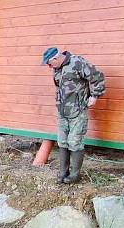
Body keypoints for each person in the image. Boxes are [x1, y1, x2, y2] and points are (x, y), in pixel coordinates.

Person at [42, 47, 105, 184]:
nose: (49, 66)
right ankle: (63, 173)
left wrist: (94, 96)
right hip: (62, 112)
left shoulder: (77, 62)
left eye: (49, 63)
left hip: (78, 111)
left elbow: (97, 76)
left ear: (56, 58)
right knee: (62, 141)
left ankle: (75, 175)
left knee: (75, 142)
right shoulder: (57, 68)